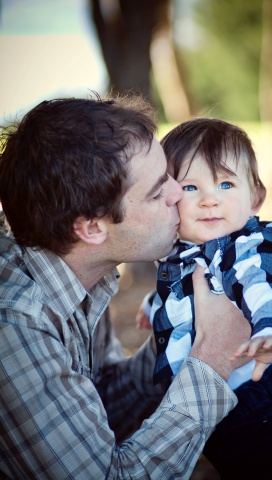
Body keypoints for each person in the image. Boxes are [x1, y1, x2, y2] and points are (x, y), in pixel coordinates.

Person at [0, 96, 253, 480]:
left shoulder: (82, 270)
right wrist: (211, 361)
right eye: (156, 192)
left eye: (169, 174)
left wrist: (174, 340)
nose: (177, 194)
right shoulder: (16, 325)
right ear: (93, 228)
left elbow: (99, 405)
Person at [136, 118, 272, 479]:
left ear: (256, 197)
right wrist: (151, 307)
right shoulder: (182, 252)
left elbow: (259, 284)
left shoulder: (243, 249)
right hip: (215, 416)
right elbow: (180, 292)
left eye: (225, 183)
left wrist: (271, 330)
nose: (209, 199)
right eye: (190, 187)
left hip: (265, 410)